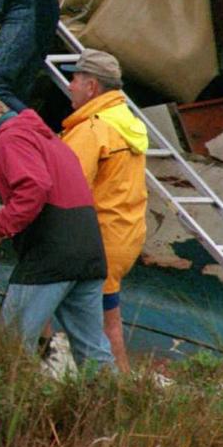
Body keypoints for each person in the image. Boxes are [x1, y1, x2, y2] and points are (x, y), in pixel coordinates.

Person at [0, 92, 114, 368]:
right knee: (93, 351)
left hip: (50, 255)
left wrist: (0, 229)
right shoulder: (45, 136)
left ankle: (15, 408)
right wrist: (2, 215)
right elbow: (49, 191)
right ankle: (115, 407)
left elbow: (33, 187)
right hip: (87, 249)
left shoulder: (9, 137)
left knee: (9, 345)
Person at [59, 50, 148, 371]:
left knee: (105, 327)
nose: (69, 86)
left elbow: (65, 184)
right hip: (123, 235)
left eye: (74, 80)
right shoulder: (126, 121)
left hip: (97, 241)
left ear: (92, 87)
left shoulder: (94, 129)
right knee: (108, 320)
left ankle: (117, 394)